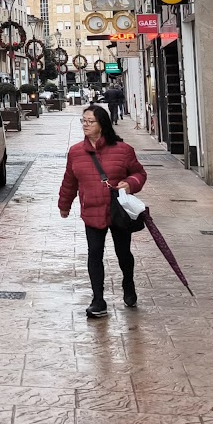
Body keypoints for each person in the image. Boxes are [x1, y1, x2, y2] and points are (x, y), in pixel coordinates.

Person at [59, 104, 146, 317]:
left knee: (123, 253)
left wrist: (130, 183)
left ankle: (128, 285)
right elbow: (69, 181)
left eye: (90, 122)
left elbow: (139, 174)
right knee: (94, 254)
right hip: (92, 211)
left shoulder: (123, 150)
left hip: (118, 212)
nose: (85, 125)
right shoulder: (76, 152)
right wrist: (64, 205)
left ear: (102, 124)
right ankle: (98, 300)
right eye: (83, 121)